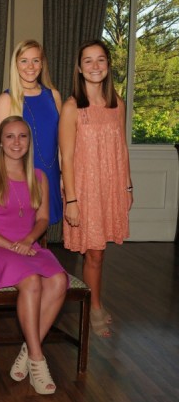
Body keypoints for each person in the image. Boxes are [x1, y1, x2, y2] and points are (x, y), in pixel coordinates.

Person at [0, 115, 68, 395]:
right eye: (10, 137)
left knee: (59, 280)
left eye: (22, 136)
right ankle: (38, 361)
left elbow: (42, 219)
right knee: (32, 282)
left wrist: (27, 240)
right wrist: (12, 245)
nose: (16, 142)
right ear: (0, 143)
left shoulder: (39, 177)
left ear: (29, 141)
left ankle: (29, 346)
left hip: (28, 247)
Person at [59, 40, 132, 338]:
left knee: (100, 252)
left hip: (111, 186)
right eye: (87, 61)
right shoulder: (72, 106)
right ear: (79, 68)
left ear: (108, 65)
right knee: (94, 254)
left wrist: (127, 185)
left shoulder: (118, 103)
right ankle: (95, 307)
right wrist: (72, 199)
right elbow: (66, 156)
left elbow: (122, 148)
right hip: (84, 190)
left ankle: (94, 302)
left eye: (100, 60)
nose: (94, 66)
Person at [0, 39, 63, 232]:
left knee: (42, 232)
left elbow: (62, 143)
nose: (30, 66)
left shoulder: (53, 96)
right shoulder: (6, 100)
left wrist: (64, 177)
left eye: (36, 60)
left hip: (50, 175)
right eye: (24, 60)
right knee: (18, 232)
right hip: (19, 179)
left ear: (42, 64)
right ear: (15, 64)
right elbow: (1, 149)